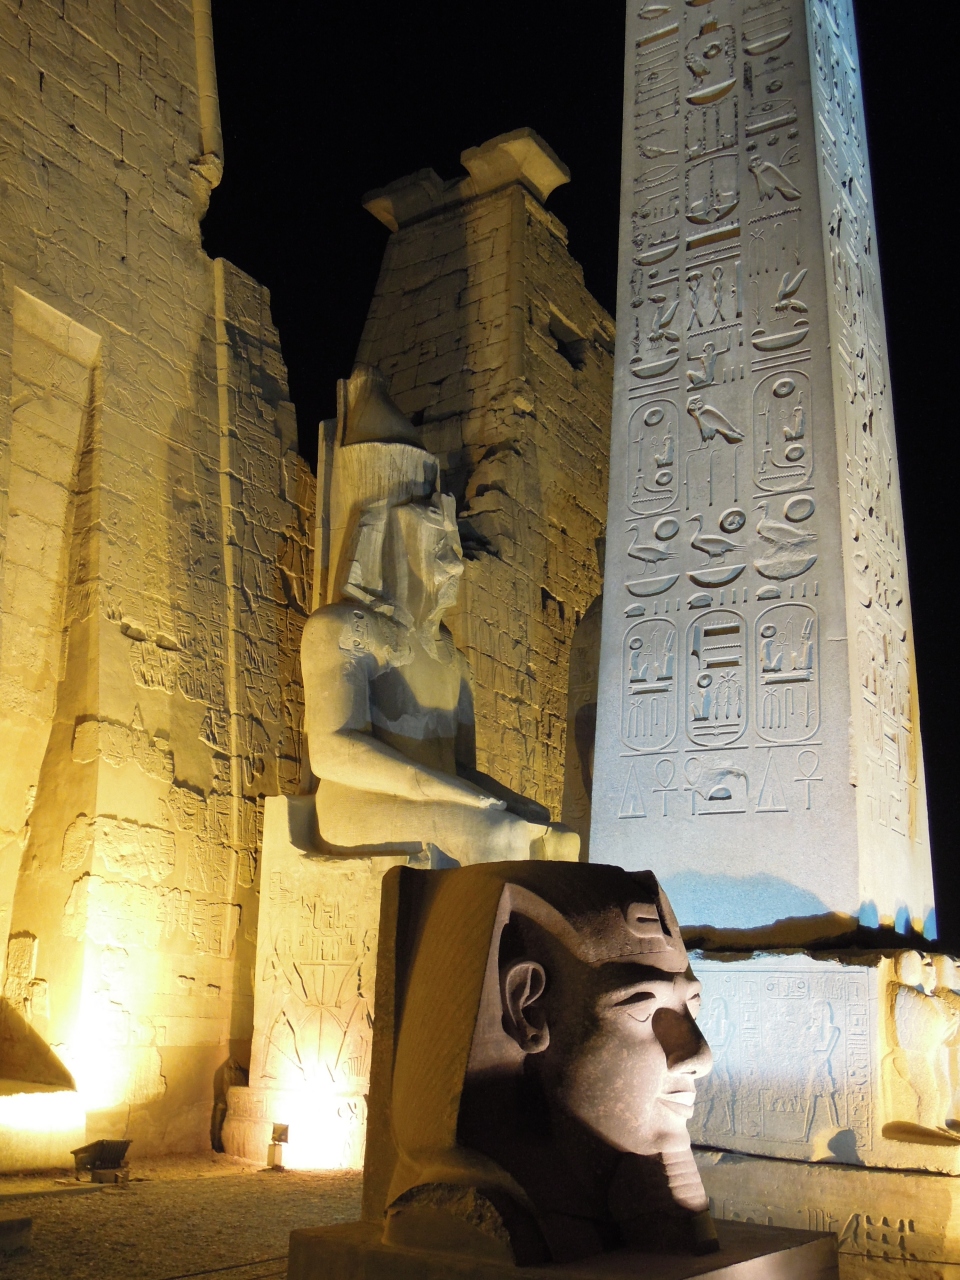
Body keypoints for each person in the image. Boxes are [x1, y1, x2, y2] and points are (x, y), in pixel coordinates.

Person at [301, 365, 578, 865]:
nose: (454, 563)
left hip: (430, 797)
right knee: (497, 836)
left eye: (453, 543)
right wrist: (435, 788)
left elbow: (460, 768)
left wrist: (508, 801)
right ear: (389, 539)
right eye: (436, 542)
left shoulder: (451, 658)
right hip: (356, 803)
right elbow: (333, 752)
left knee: (556, 839)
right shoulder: (341, 629)